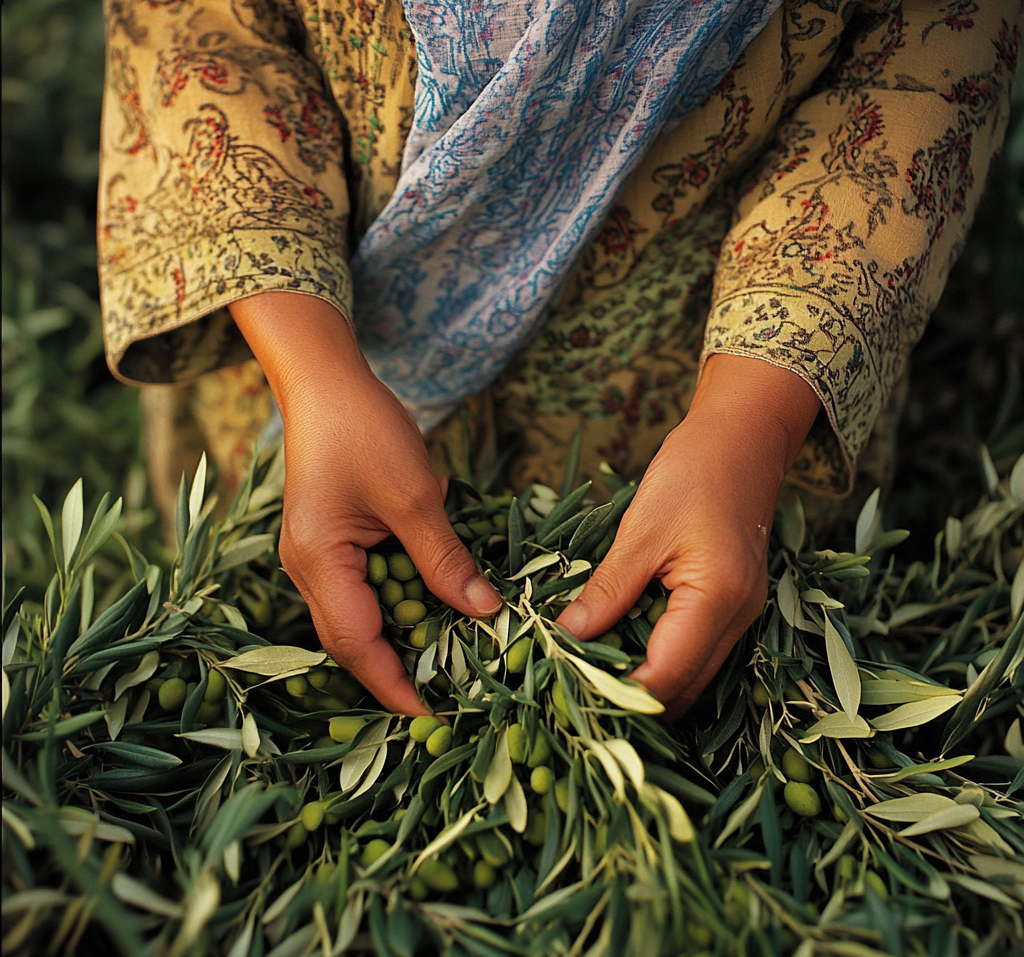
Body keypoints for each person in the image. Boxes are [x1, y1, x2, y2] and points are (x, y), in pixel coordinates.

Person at [98, 0, 1020, 719]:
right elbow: (196, 35)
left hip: (677, 399)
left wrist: (751, 423)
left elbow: (924, 62)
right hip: (312, 324)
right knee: (282, 607)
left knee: (675, 646)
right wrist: (312, 375)